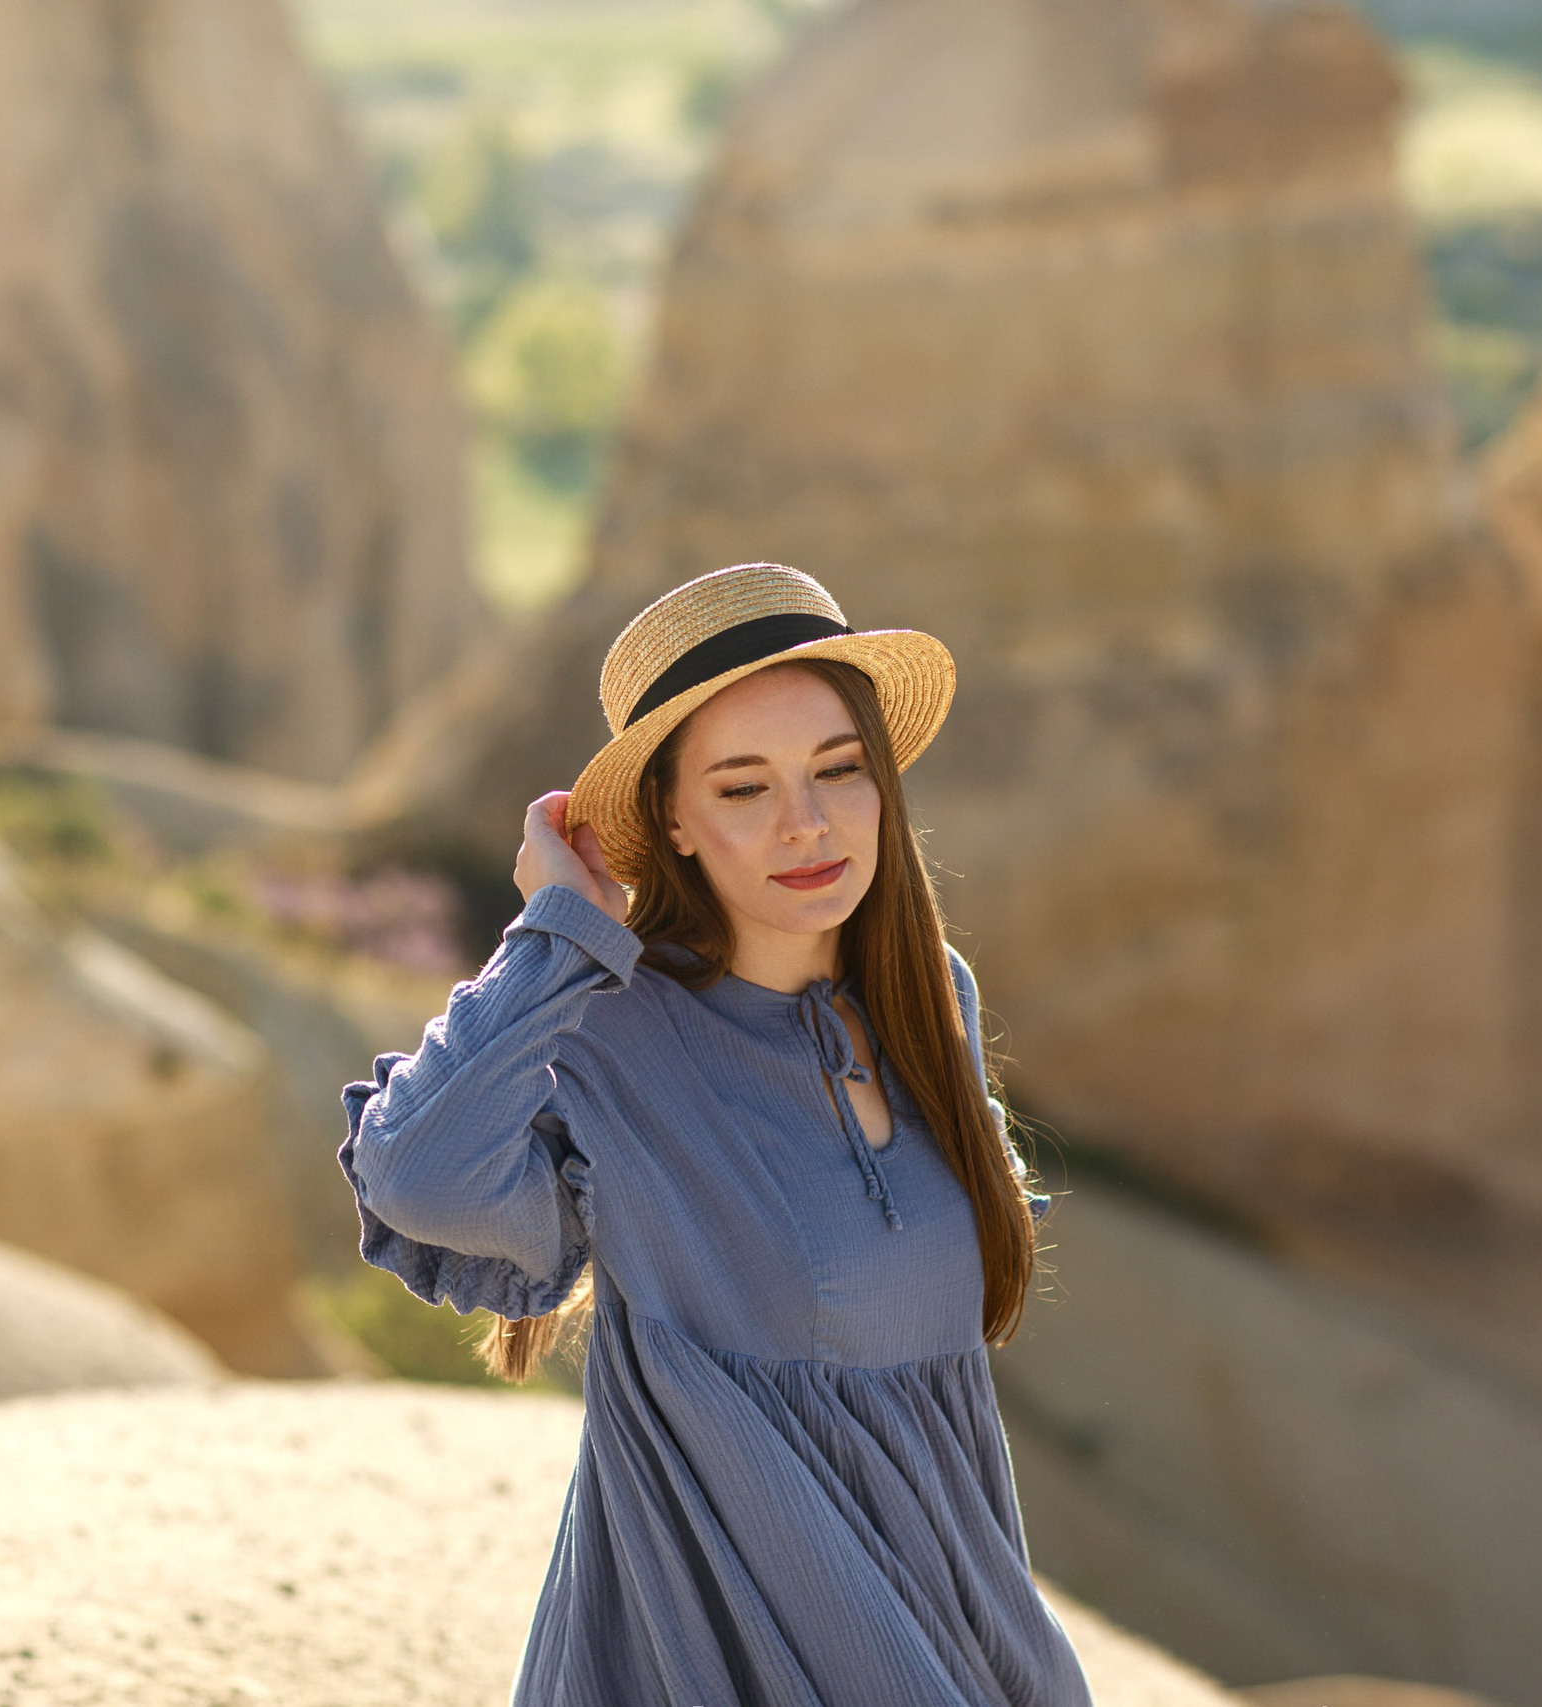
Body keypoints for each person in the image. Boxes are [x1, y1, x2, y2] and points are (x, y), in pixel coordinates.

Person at [340, 563, 1093, 1705]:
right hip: (723, 1649)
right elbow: (417, 1173)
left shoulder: (929, 997)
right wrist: (556, 934)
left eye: (838, 770)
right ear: (673, 824)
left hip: (963, 1631)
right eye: (743, 790)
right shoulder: (611, 1033)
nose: (808, 822)